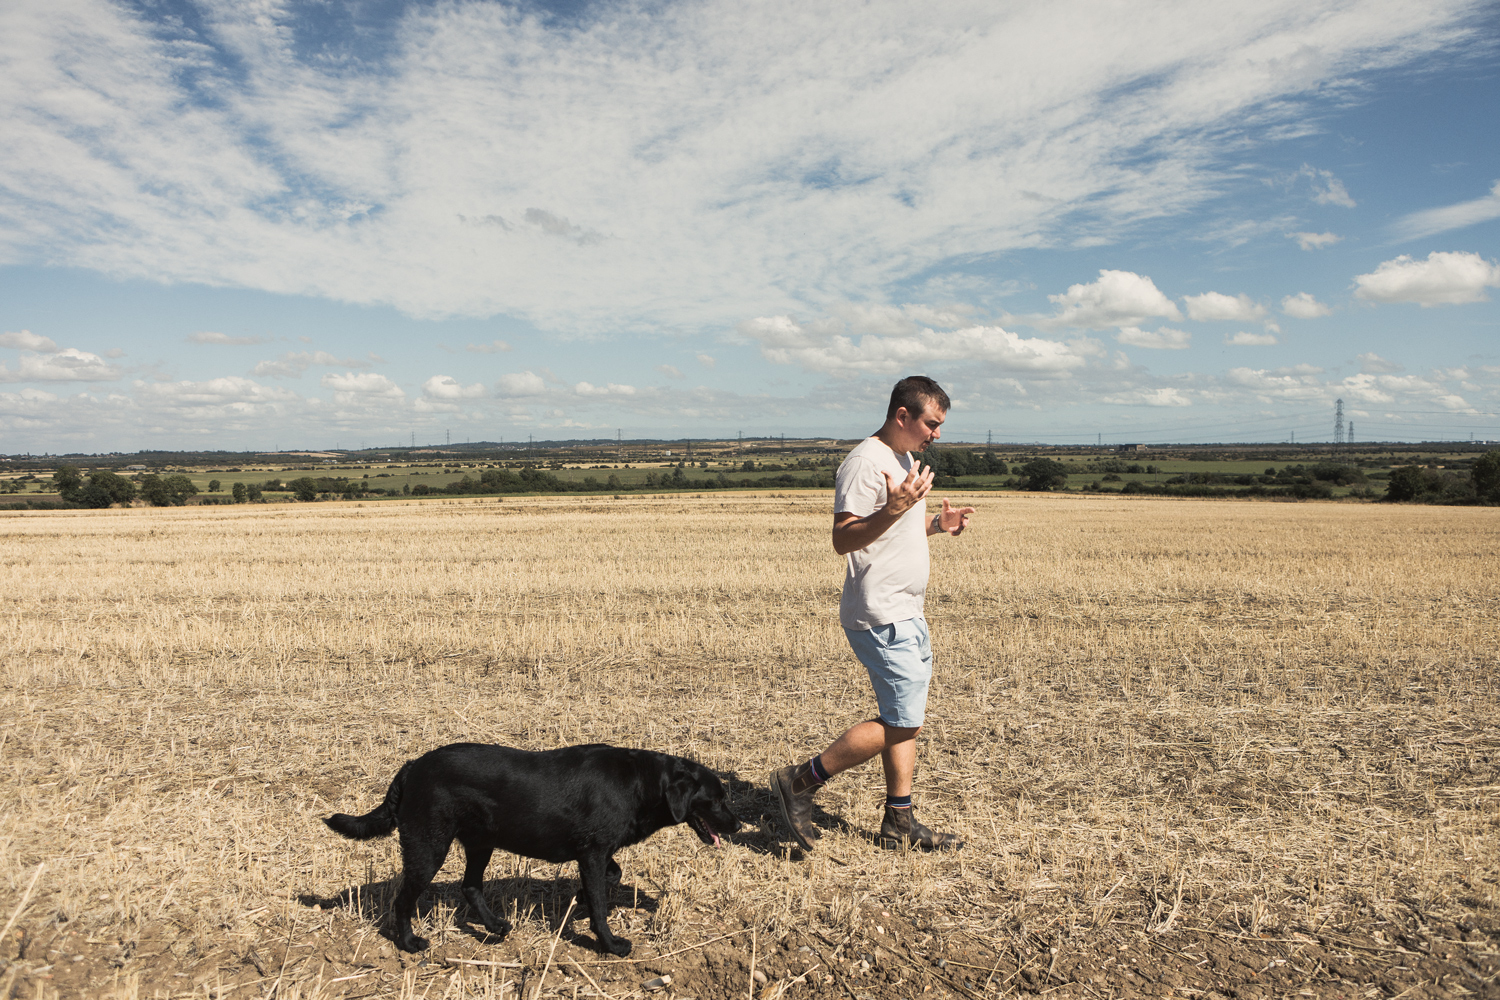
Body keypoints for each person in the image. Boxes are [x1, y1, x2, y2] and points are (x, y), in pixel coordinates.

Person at [771, 375, 975, 852]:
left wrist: (933, 524)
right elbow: (845, 537)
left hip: (906, 610)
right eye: (932, 423)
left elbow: (889, 528)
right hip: (881, 613)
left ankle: (899, 821)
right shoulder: (865, 463)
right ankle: (800, 781)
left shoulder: (901, 457)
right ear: (902, 415)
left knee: (902, 714)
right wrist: (894, 508)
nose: (936, 434)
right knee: (905, 722)